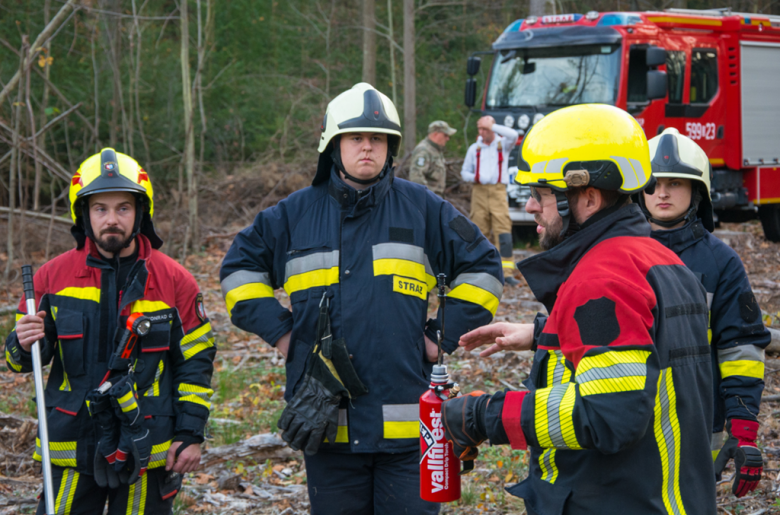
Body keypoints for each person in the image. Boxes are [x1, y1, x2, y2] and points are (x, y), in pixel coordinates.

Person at [220, 83, 503, 515]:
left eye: (378, 139)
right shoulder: (292, 215)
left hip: (411, 435)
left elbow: (483, 266)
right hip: (326, 429)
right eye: (356, 138)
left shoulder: (424, 209)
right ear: (333, 146)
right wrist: (282, 333)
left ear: (391, 148)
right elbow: (239, 271)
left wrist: (441, 335)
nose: (367, 147)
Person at [441, 105, 717, 515]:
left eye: (542, 194)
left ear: (587, 196)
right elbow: (646, 351)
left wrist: (485, 415)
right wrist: (542, 333)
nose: (532, 206)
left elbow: (609, 416)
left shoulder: (602, 279)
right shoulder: (658, 259)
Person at [5, 149, 216, 515]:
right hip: (72, 447)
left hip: (146, 449)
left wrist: (190, 435)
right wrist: (21, 344)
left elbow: (196, 363)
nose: (112, 220)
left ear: (140, 213)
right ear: (84, 215)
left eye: (123, 208)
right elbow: (19, 361)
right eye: (100, 208)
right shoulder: (52, 278)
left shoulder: (174, 281)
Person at [640, 128, 768, 498]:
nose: (662, 193)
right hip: (627, 419)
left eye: (675, 182)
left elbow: (740, 347)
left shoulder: (720, 262)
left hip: (696, 423)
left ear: (698, 190)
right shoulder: (616, 252)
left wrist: (743, 431)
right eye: (653, 183)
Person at [461, 115, 519, 281]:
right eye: (480, 128)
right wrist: (476, 178)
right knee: (479, 230)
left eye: (485, 129)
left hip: (498, 192)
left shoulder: (503, 144)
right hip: (478, 191)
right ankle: (480, 269)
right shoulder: (474, 148)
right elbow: (464, 172)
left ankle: (507, 273)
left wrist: (493, 126)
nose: (482, 132)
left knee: (503, 230)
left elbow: (513, 135)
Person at [409, 120, 457, 196]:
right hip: (427, 200)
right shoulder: (423, 150)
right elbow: (416, 178)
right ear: (435, 134)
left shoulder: (436, 150)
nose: (448, 138)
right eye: (445, 135)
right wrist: (429, 197)